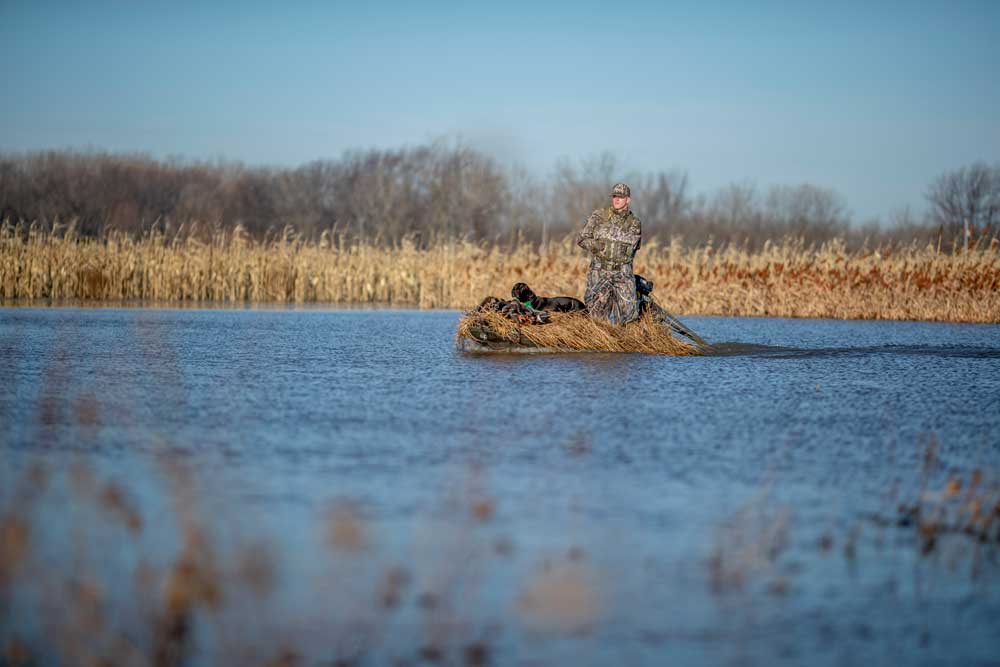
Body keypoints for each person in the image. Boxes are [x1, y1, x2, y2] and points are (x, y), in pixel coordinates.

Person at [576, 182, 642, 324]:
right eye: (614, 196)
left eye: (621, 197)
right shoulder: (598, 216)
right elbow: (581, 239)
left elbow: (633, 250)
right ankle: (598, 343)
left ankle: (626, 344)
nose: (617, 199)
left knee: (629, 318)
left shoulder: (635, 223)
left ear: (628, 200)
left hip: (623, 275)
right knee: (595, 317)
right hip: (600, 273)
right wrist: (596, 246)